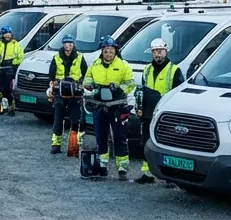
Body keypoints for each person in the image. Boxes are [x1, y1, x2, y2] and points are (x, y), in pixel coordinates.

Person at [82, 36, 138, 180]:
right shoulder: (95, 65)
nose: (108, 53)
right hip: (100, 106)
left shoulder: (123, 65)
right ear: (102, 51)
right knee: (101, 137)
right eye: (106, 51)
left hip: (117, 106)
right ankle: (102, 165)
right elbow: (87, 80)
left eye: (111, 50)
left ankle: (122, 168)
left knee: (120, 138)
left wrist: (119, 89)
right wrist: (92, 87)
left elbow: (131, 83)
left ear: (115, 51)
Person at [136, 38, 185, 184]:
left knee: (168, 144)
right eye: (155, 51)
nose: (158, 54)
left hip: (165, 114)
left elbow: (178, 94)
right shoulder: (147, 70)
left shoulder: (174, 70)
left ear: (166, 51)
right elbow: (143, 91)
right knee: (145, 143)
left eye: (161, 51)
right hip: (148, 113)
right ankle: (147, 173)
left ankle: (170, 176)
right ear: (152, 53)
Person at [46, 35, 87, 155]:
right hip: (60, 91)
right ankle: (56, 144)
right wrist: (51, 88)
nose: (67, 46)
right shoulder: (56, 57)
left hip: (75, 92)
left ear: (73, 45)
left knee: (75, 119)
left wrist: (82, 85)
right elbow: (51, 76)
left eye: (70, 43)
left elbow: (86, 74)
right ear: (62, 45)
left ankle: (74, 145)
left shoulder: (80, 57)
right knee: (58, 117)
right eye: (65, 43)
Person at [0, 26, 24, 112]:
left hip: (10, 68)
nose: (7, 36)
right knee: (0, 88)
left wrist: (12, 62)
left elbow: (20, 56)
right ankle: (2, 106)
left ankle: (11, 105)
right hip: (1, 68)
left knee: (8, 88)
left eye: (9, 34)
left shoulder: (16, 44)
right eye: (5, 34)